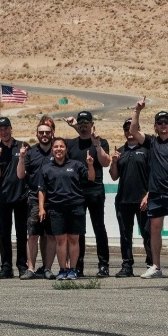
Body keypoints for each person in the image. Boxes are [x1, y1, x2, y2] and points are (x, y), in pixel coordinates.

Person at [128, 97, 168, 279]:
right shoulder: (151, 142)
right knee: (154, 229)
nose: (163, 125)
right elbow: (133, 131)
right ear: (155, 126)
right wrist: (137, 110)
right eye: (160, 123)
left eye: (166, 122)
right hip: (155, 194)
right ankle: (156, 266)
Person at [37, 139, 95, 280]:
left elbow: (91, 178)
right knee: (61, 240)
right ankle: (63, 269)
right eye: (56, 147)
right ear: (52, 150)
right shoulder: (46, 168)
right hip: (56, 208)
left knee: (74, 239)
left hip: (75, 207)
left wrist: (90, 165)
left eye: (61, 146)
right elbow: (42, 190)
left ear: (66, 149)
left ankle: (73, 270)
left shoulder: (76, 165)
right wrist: (41, 208)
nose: (59, 149)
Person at [62, 111, 111, 277]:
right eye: (80, 122)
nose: (83, 125)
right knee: (78, 230)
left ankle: (103, 265)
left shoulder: (101, 142)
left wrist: (97, 145)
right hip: (76, 192)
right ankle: (77, 266)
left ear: (92, 124)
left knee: (99, 227)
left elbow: (105, 162)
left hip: (95, 190)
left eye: (86, 122)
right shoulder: (71, 144)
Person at [110, 118, 152, 277]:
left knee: (147, 233)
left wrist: (148, 195)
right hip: (123, 200)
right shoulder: (120, 151)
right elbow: (114, 176)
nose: (129, 132)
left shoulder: (147, 150)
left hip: (143, 200)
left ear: (138, 129)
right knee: (125, 235)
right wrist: (114, 162)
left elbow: (154, 175)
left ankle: (151, 264)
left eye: (131, 128)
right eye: (126, 129)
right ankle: (127, 265)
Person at [0, 116, 28, 279]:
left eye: (6, 128)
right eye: (1, 129)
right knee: (4, 234)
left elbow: (27, 172)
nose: (4, 132)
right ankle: (6, 267)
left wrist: (23, 156)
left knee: (21, 233)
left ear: (11, 129)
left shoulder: (22, 146)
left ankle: (22, 265)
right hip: (3, 198)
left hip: (21, 197)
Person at [21, 120, 57, 280]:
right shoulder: (31, 153)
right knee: (32, 235)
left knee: (51, 236)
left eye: (47, 132)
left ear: (52, 133)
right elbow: (21, 174)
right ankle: (31, 268)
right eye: (41, 132)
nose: (44, 135)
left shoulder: (58, 150)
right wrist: (21, 158)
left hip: (54, 200)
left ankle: (47, 268)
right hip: (35, 199)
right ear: (37, 135)